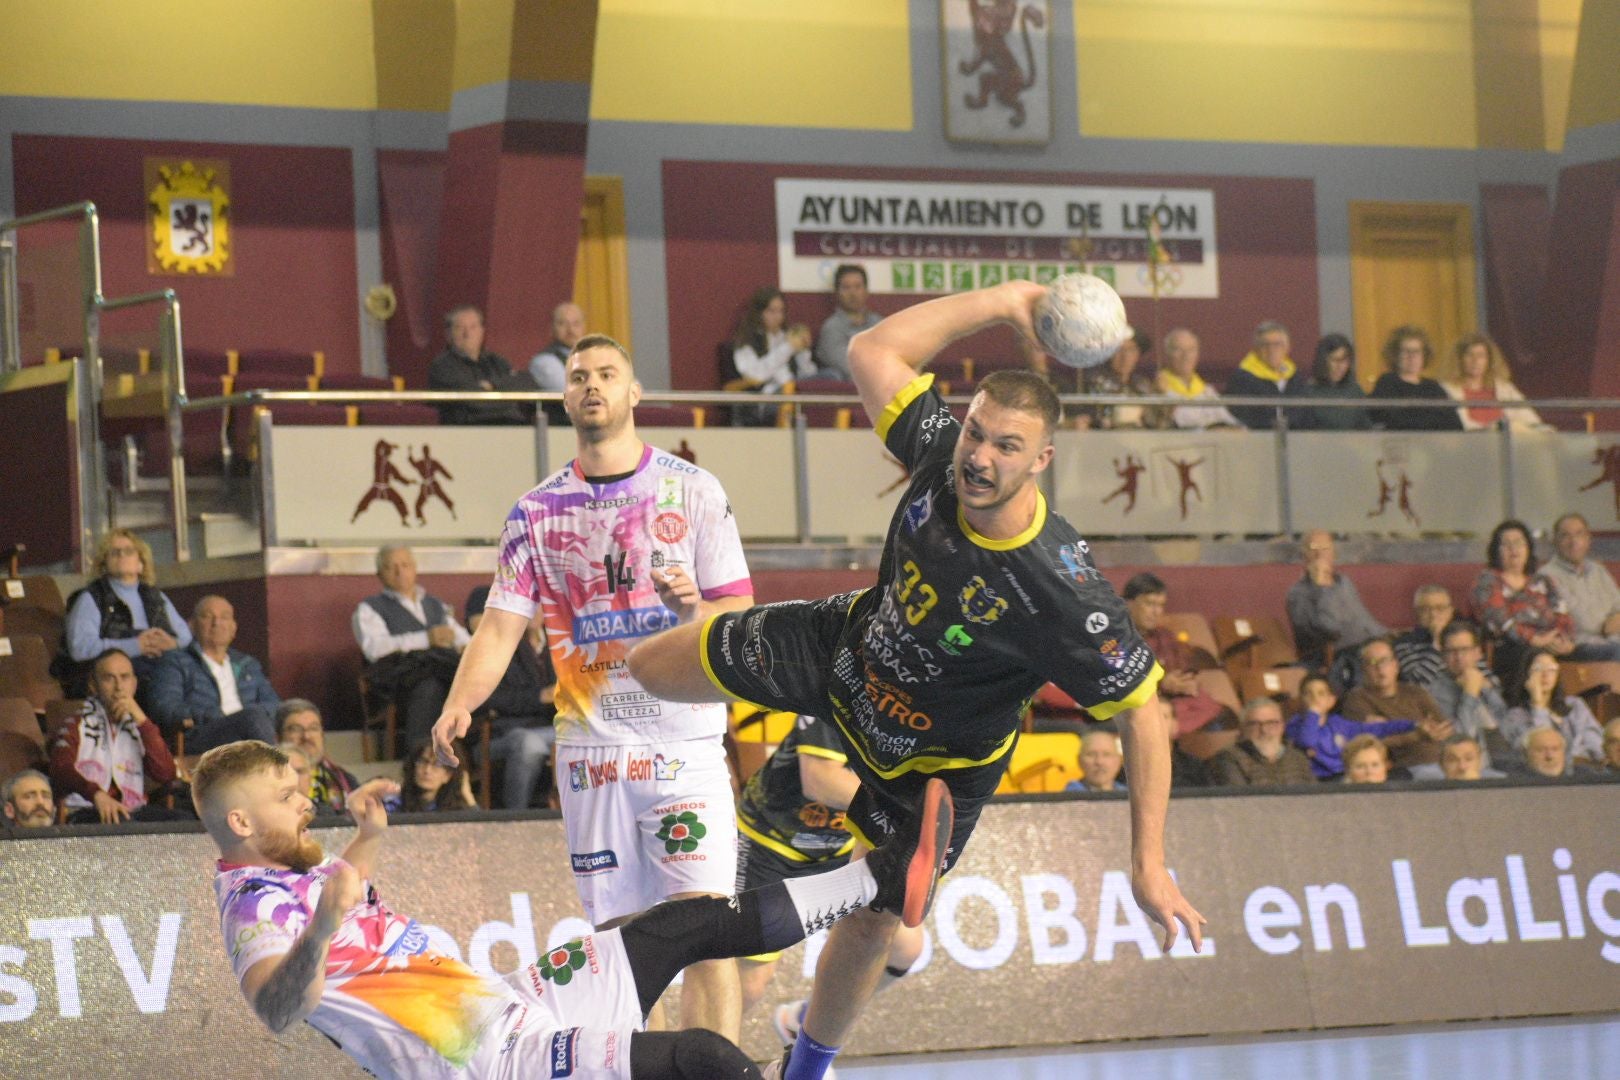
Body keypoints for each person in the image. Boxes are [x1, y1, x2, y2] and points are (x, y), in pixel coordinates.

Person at [622, 280, 1204, 1080]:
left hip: (940, 760)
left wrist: (1147, 863)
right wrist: (1008, 299)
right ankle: (821, 842)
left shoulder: (1061, 591)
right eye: (977, 433)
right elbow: (872, 352)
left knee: (881, 914)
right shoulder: (940, 454)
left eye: (1007, 447)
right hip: (844, 651)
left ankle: (809, 1065)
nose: (981, 456)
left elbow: (1144, 716)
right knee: (648, 669)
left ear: (1043, 461)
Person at [196, 739, 952, 1080]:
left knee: (679, 925)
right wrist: (326, 922)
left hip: (514, 1003)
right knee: (704, 1059)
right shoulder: (250, 908)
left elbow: (344, 899)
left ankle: (879, 881)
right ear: (239, 824)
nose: (306, 804)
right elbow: (275, 1008)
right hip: (487, 1063)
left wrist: (366, 839)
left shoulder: (295, 860)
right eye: (288, 798)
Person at [432, 333, 756, 1042]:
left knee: (706, 929)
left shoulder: (692, 490)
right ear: (564, 396)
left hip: (685, 745)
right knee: (623, 945)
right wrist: (459, 703)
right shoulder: (535, 513)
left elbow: (737, 613)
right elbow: (498, 629)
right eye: (579, 376)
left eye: (608, 374)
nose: (592, 386)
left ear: (634, 393)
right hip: (594, 752)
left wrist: (692, 609)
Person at [732, 714, 923, 1045]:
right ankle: (690, 1062)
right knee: (750, 984)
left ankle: (804, 1025)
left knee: (904, 947)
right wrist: (906, 813)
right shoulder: (843, 690)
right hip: (772, 844)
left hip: (843, 849)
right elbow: (820, 779)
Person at [353, 544, 471, 752]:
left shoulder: (436, 605)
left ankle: (468, 753)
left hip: (441, 672)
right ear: (379, 574)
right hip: (397, 683)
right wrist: (426, 638)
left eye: (405, 565)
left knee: (468, 683)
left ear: (415, 568)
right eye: (391, 567)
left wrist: (464, 647)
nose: (400, 572)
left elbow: (461, 639)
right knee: (430, 687)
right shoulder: (369, 608)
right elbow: (375, 648)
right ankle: (419, 755)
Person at [49, 649, 183, 824]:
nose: (119, 687)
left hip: (133, 811)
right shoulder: (76, 723)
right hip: (87, 810)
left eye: (125, 677)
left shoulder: (140, 727)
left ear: (134, 684)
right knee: (122, 821)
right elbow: (61, 769)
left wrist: (142, 721)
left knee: (186, 821)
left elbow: (166, 774)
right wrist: (96, 794)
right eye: (109, 678)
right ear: (93, 685)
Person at [59, 528, 192, 696]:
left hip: (163, 667)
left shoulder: (155, 596)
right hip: (117, 678)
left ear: (141, 564)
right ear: (104, 564)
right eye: (114, 552)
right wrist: (136, 646)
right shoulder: (91, 598)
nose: (121, 555)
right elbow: (81, 649)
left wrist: (172, 644)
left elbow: (186, 637)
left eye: (128, 551)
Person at [146, 595, 280, 752]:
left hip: (251, 730)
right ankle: (275, 771)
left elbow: (274, 704)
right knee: (252, 719)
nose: (217, 623)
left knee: (303, 713)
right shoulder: (175, 661)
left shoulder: (247, 664)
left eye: (224, 617)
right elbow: (165, 708)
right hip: (202, 735)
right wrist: (212, 715)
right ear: (192, 626)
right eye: (207, 616)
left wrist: (251, 716)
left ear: (233, 628)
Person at [464, 585, 556, 810]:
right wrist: (540, 697)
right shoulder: (495, 647)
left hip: (552, 727)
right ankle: (516, 816)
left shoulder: (557, 645)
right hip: (499, 733)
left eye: (539, 606)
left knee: (586, 736)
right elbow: (487, 699)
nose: (534, 611)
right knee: (528, 743)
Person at [1121, 572, 1230, 735]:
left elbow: (1180, 669)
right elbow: (1118, 682)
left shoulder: (1164, 636)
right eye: (1150, 604)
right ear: (1128, 603)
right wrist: (1161, 684)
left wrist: (1185, 683)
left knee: (1210, 706)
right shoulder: (1113, 637)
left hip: (1170, 699)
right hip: (1134, 701)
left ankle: (1168, 732)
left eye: (1160, 605)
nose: (1156, 612)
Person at [1471, 519, 1578, 683]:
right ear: (1496, 551)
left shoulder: (1543, 581)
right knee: (1539, 658)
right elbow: (1499, 620)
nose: (1513, 549)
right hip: (1509, 649)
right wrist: (1534, 640)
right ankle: (1554, 706)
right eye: (1506, 544)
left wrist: (1566, 641)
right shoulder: (1488, 581)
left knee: (1608, 652)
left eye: (1518, 543)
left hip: (1550, 645)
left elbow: (1562, 614)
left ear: (1528, 548)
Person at [1340, 638, 1454, 770]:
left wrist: (1434, 732)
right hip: (1402, 770)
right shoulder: (1356, 699)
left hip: (1442, 763)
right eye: (1372, 663)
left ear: (1396, 666)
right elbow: (1368, 743)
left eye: (1385, 661)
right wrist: (1417, 735)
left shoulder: (1415, 692)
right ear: (1363, 669)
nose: (1380, 668)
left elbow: (1444, 728)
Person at [1285, 529, 1388, 673]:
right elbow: (1329, 629)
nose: (1320, 554)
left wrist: (1388, 636)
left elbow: (1365, 621)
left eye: (1325, 548)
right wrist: (1321, 588)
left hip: (1372, 646)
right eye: (1313, 548)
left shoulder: (1343, 582)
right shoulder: (1297, 594)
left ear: (1334, 554)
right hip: (1340, 656)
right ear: (1304, 556)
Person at [1285, 673, 1414, 781]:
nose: (1315, 698)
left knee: (1402, 775)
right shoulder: (1294, 725)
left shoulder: (1339, 724)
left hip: (1345, 774)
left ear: (1331, 700)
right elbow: (1308, 740)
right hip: (1319, 780)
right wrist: (1313, 714)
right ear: (1301, 699)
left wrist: (1413, 725)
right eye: (1308, 694)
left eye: (1321, 693)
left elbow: (1377, 729)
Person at [1425, 620, 1512, 772]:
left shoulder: (1490, 682)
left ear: (1478, 653)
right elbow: (1459, 740)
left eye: (1465, 650)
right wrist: (1470, 693)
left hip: (1505, 763)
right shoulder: (1434, 692)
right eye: (1451, 651)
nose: (1459, 658)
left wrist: (1485, 689)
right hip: (1466, 770)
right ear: (1443, 656)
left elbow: (1507, 726)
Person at [1501, 648, 1603, 773]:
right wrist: (1538, 706)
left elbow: (1597, 745)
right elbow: (1541, 749)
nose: (1545, 675)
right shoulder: (1515, 716)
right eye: (1538, 669)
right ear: (1526, 675)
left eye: (1551, 669)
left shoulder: (1575, 705)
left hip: (1585, 772)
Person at [428, 304, 532, 425]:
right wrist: (506, 393)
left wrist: (492, 385)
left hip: (513, 429)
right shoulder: (442, 367)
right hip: (471, 431)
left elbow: (527, 383)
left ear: (482, 332)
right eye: (459, 328)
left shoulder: (496, 361)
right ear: (448, 334)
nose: (467, 334)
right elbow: (477, 402)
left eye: (473, 327)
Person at [1539, 512, 1620, 661]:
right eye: (1565, 536)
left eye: (1579, 534)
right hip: (1577, 648)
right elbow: (1584, 623)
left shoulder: (1598, 571)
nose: (1573, 541)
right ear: (1555, 541)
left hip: (1611, 642)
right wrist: (1606, 626)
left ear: (1588, 539)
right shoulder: (1546, 576)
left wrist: (1613, 623)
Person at [730, 287, 816, 425]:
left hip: (796, 390)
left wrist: (803, 351)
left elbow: (808, 375)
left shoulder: (786, 336)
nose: (778, 317)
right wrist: (788, 348)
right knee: (788, 390)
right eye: (771, 311)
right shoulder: (747, 342)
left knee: (832, 376)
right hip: (767, 397)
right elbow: (756, 376)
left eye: (781, 311)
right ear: (759, 313)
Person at [1441, 332, 1547, 432]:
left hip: (1509, 445)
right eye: (1469, 355)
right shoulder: (1447, 390)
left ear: (1489, 360)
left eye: (1481, 356)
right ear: (1460, 359)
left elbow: (1531, 421)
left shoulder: (1505, 389)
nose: (1475, 360)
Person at [1368, 326, 1461, 431]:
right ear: (1395, 355)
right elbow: (1392, 419)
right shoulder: (1387, 382)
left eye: (1416, 351)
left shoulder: (1433, 387)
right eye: (1406, 351)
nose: (1411, 356)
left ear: (1424, 355)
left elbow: (1453, 423)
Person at [1207, 698, 1315, 787]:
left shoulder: (1299, 759)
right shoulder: (1228, 759)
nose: (1264, 730)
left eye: (1271, 723)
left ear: (1282, 727)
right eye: (1255, 724)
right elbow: (1238, 804)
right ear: (1242, 728)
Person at [276, 700, 359, 814]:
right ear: (278, 738)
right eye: (296, 729)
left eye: (313, 728)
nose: (307, 736)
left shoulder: (345, 780)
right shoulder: (266, 782)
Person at [1155, 328, 1241, 430]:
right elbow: (1184, 422)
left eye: (1191, 350)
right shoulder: (1159, 387)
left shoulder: (1206, 390)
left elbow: (1229, 421)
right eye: (1178, 349)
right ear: (1167, 354)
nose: (1186, 356)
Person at [1076, 327, 1160, 430]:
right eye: (1118, 349)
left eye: (1131, 350)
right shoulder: (1094, 381)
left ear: (1138, 355)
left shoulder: (1143, 384)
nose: (1125, 356)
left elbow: (1155, 421)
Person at [1224, 320, 1300, 430]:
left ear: (1287, 348)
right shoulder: (1242, 378)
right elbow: (1241, 417)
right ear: (1256, 349)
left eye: (1277, 344)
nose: (1271, 350)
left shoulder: (1294, 376)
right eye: (1265, 345)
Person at [813, 265, 882, 381]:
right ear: (837, 292)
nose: (852, 293)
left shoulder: (879, 324)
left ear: (866, 291)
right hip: (847, 393)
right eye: (846, 287)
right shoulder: (831, 328)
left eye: (857, 286)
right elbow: (850, 367)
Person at [1292, 333, 1371, 431]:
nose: (1340, 366)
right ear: (1323, 361)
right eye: (1335, 360)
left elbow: (1366, 426)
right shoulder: (1309, 392)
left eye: (1345, 361)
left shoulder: (1355, 390)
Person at [1392, 584, 1458, 689]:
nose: (1433, 614)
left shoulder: (1463, 639)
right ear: (1416, 613)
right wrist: (1437, 643)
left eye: (1440, 608)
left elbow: (1486, 678)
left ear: (1450, 611)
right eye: (1426, 609)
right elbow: (1417, 687)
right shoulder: (1404, 644)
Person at [386, 740, 475, 813]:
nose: (427, 770)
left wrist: (468, 796)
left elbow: (479, 831)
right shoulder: (394, 803)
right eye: (423, 762)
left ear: (447, 775)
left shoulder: (455, 810)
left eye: (437, 765)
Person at [531, 301, 587, 392]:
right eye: (562, 324)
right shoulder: (544, 362)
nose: (571, 330)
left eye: (576, 324)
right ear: (552, 329)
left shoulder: (593, 357)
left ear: (584, 327)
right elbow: (570, 392)